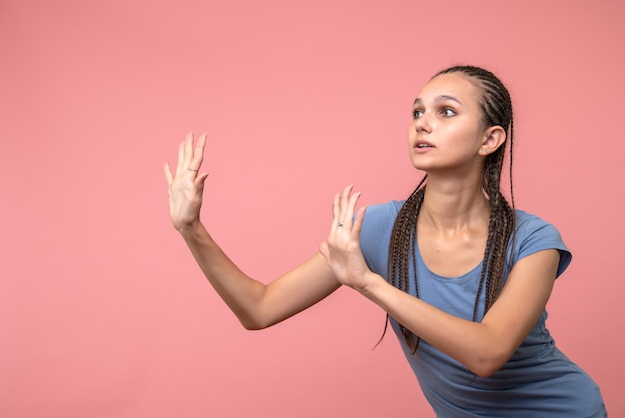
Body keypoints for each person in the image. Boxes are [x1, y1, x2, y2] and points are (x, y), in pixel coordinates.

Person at [164, 65, 606, 417]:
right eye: (417, 112)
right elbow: (258, 308)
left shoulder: (533, 240)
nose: (423, 124)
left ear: (490, 139)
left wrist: (368, 283)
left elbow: (488, 353)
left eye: (445, 112)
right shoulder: (378, 229)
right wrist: (191, 229)